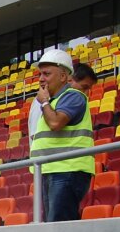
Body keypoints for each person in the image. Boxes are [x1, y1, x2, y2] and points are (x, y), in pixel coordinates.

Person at [29, 49, 94, 222]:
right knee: (54, 225)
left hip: (67, 169)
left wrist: (43, 102)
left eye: (47, 74)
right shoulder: (53, 101)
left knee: (59, 226)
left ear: (64, 76)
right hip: (51, 169)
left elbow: (56, 123)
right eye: (40, 74)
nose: (41, 79)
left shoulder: (74, 96)